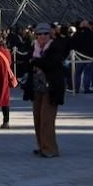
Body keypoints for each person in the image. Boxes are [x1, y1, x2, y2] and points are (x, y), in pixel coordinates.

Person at [23, 23, 65, 158]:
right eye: (39, 34)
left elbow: (51, 64)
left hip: (50, 88)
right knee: (38, 118)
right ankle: (41, 146)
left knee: (47, 119)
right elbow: (26, 62)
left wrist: (35, 61)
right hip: (36, 87)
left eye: (45, 33)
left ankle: (50, 148)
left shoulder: (55, 46)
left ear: (50, 34)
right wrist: (35, 61)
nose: (42, 36)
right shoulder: (33, 47)